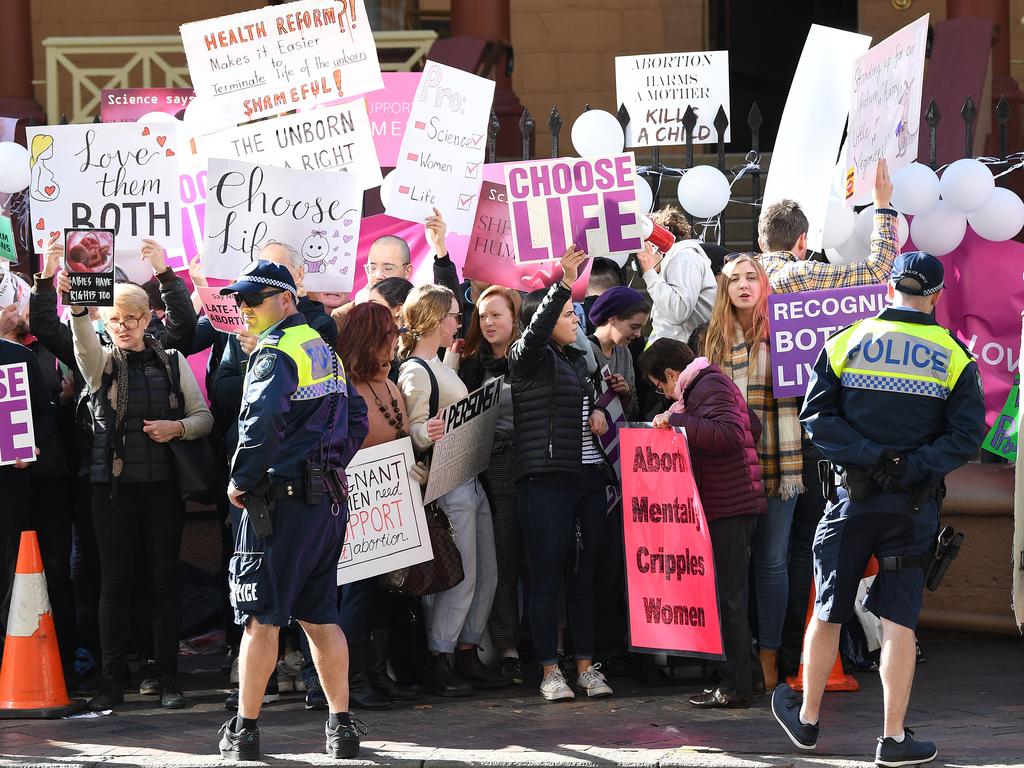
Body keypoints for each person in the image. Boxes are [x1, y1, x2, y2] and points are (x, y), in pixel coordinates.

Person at [771, 252, 986, 767]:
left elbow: (817, 417)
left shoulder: (846, 340)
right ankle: (892, 739)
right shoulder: (954, 355)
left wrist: (872, 458)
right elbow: (966, 435)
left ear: (889, 288)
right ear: (936, 295)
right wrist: (909, 466)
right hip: (911, 509)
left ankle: (807, 721)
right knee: (899, 622)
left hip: (853, 500)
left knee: (828, 610)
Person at [217, 260, 369, 761]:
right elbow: (357, 418)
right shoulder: (323, 349)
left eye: (252, 299)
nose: (243, 308)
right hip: (327, 502)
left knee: (261, 618)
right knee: (320, 616)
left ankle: (245, 730)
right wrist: (330, 465)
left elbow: (262, 419)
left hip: (281, 504)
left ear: (285, 301)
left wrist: (242, 479)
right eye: (239, 300)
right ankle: (341, 728)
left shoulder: (276, 351)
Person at [756, 160, 900, 679]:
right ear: (800, 243)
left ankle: (767, 653)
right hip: (808, 429)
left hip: (759, 430)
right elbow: (877, 270)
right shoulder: (799, 273)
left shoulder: (741, 279)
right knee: (806, 545)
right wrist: (883, 206)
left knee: (767, 550)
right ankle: (802, 650)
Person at [63, 274, 213, 711]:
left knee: (163, 582)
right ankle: (112, 680)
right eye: (114, 319)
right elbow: (82, 347)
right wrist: (78, 311)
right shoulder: (101, 363)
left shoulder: (171, 360)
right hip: (110, 491)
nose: (123, 326)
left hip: (163, 490)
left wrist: (178, 428)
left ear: (149, 318)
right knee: (114, 583)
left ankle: (166, 676)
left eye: (132, 318)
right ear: (105, 322)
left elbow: (202, 416)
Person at [508, 246, 614, 703]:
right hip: (544, 477)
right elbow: (532, 337)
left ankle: (588, 667)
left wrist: (600, 414)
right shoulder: (527, 357)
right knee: (546, 573)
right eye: (570, 314)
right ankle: (550, 670)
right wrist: (560, 284)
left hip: (584, 477)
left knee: (585, 573)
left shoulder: (576, 362)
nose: (578, 321)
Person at [639, 338, 766, 708]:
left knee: (728, 600)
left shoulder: (706, 385)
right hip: (734, 502)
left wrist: (677, 421)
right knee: (732, 597)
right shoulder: (713, 383)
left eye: (658, 385)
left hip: (729, 506)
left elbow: (729, 435)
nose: (661, 394)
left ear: (670, 374)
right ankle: (750, 678)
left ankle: (734, 687)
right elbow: (751, 428)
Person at [397, 283, 508, 695]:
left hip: (466, 476)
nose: (458, 321)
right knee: (462, 573)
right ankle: (441, 655)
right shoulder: (415, 369)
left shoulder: (438, 364)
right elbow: (410, 427)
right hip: (446, 483)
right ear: (431, 319)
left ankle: (463, 650)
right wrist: (428, 431)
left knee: (486, 573)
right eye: (451, 315)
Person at [701, 254, 803, 690]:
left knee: (772, 560)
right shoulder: (712, 342)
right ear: (724, 289)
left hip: (781, 463)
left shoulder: (787, 333)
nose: (744, 285)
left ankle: (768, 655)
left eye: (751, 277)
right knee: (731, 567)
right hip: (730, 471)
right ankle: (736, 659)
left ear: (764, 284)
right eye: (734, 279)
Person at [335, 301, 419, 710]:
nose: (394, 345)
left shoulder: (389, 385)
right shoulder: (344, 386)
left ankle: (376, 672)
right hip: (356, 508)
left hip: (391, 504)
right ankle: (351, 681)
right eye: (388, 337)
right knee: (357, 594)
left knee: (385, 593)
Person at [456, 285, 523, 683]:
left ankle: (555, 648)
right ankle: (508, 646)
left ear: (515, 319)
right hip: (490, 475)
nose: (488, 322)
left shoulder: (530, 360)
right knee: (501, 563)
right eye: (482, 316)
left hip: (532, 469)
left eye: (497, 314)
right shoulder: (470, 364)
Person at [757, 160, 897, 295]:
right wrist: (882, 203)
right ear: (802, 242)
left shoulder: (738, 275)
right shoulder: (803, 273)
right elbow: (878, 273)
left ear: (761, 243)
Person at [636, 205, 716, 344]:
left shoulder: (684, 258)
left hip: (687, 353)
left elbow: (679, 311)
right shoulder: (676, 261)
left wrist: (649, 272)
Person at [587, 286, 650, 421]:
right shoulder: (585, 353)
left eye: (640, 328)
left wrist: (626, 394)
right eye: (634, 327)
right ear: (612, 319)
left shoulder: (625, 354)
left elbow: (634, 412)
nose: (638, 334)